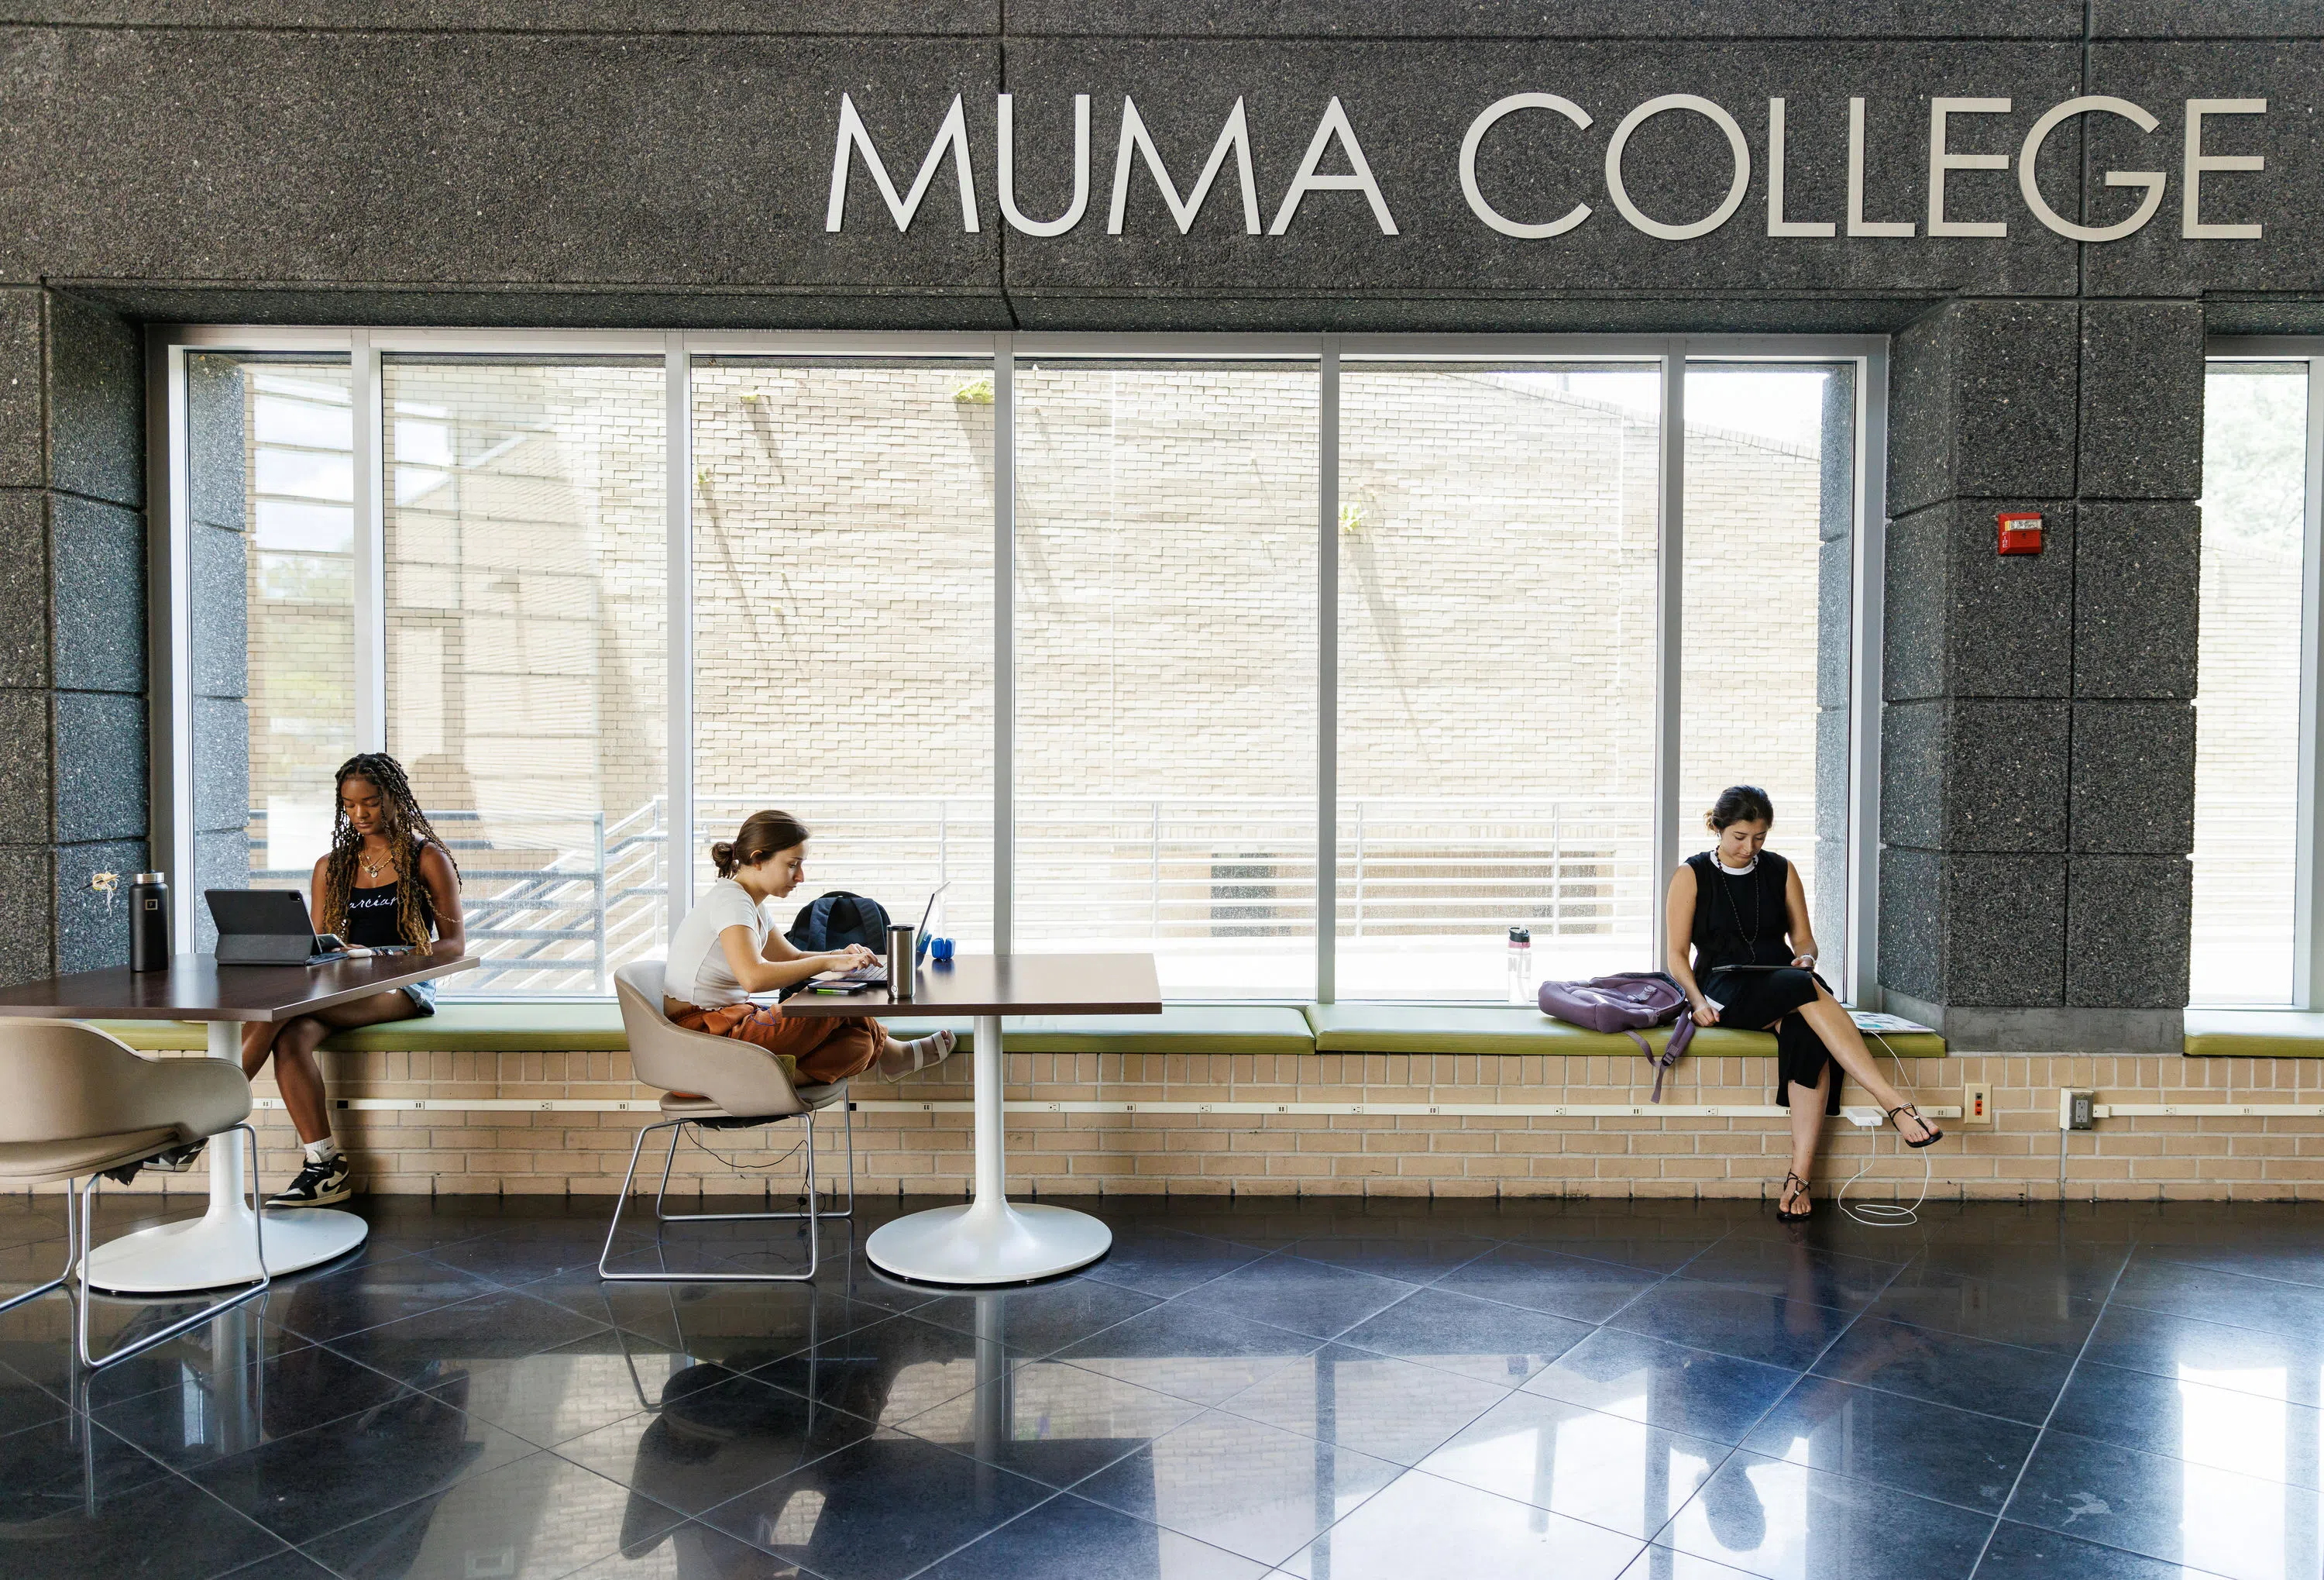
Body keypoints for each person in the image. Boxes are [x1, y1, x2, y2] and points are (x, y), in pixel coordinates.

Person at [1664, 784, 1941, 1223]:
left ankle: (1799, 1177)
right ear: (1717, 827)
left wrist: (1807, 957)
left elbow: (1804, 938)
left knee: (1806, 1031)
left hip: (1785, 978)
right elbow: (1677, 955)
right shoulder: (1692, 874)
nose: (1748, 847)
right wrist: (1697, 1001)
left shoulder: (1780, 869)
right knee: (1807, 990)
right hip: (1724, 984)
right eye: (1738, 836)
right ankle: (1894, 1103)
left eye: (1758, 838)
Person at [245, 751, 466, 1207]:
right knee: (291, 1038)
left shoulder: (427, 859)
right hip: (340, 985)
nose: (360, 814)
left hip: (404, 984)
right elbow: (319, 941)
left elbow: (453, 946)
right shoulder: (332, 865)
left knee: (279, 1012)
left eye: (370, 802)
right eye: (349, 805)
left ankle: (196, 1121)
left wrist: (383, 956)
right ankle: (324, 1167)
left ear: (394, 799)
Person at [662, 810, 955, 1085]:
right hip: (706, 1035)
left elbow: (791, 957)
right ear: (758, 859)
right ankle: (762, 1082)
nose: (800, 877)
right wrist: (828, 965)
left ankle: (777, 1077)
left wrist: (838, 956)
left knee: (859, 1044)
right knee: (837, 999)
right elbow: (753, 977)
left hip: (735, 1021)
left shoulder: (750, 901)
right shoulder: (732, 901)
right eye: (792, 865)